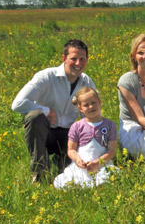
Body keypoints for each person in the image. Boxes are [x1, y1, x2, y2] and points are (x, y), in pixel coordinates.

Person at [12, 38, 96, 183]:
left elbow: (91, 117)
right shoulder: (46, 77)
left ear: (87, 60)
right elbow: (17, 104)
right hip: (44, 133)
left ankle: (62, 161)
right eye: (73, 59)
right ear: (64, 58)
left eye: (82, 59)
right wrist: (47, 110)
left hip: (68, 135)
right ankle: (40, 174)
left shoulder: (86, 82)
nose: (78, 63)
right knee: (35, 116)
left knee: (69, 176)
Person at [53, 87, 117, 189]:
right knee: (65, 181)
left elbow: (112, 150)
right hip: (82, 166)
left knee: (110, 175)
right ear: (80, 108)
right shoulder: (77, 126)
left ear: (99, 102)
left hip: (102, 164)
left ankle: (100, 186)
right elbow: (71, 149)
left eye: (93, 102)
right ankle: (80, 186)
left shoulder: (110, 125)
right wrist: (78, 160)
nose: (91, 107)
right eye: (86, 105)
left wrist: (98, 163)